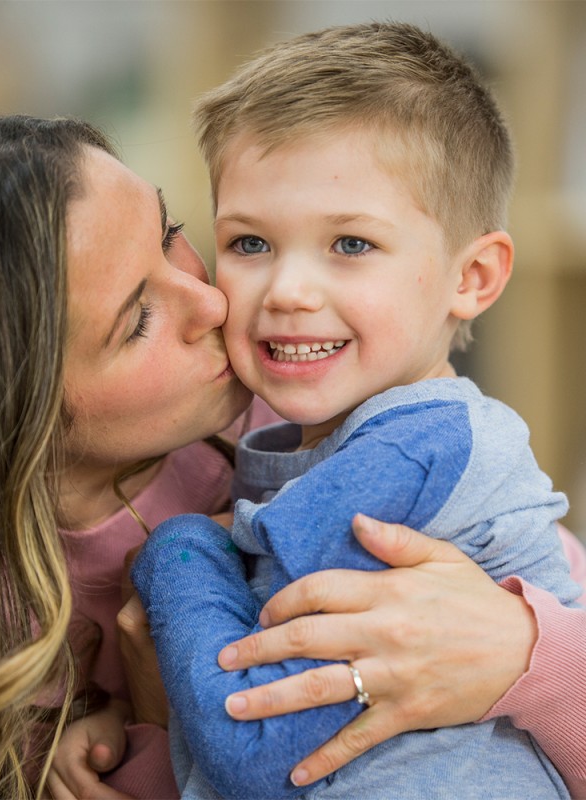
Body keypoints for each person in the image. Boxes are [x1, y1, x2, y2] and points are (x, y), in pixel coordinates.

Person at [0, 112, 583, 800]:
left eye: (173, 237)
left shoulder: (302, 425)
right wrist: (163, 731)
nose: (215, 303)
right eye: (137, 319)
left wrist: (523, 651)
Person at [131, 22, 584, 800]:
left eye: (350, 245)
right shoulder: (324, 450)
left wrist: (179, 553)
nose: (288, 291)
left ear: (472, 277)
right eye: (249, 244)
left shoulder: (411, 454)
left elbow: (252, 742)